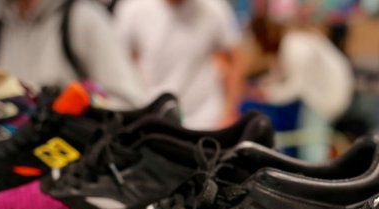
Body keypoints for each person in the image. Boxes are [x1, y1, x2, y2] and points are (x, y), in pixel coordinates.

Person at [0, 0, 147, 109]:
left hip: (73, 144)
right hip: (20, 145)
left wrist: (81, 109)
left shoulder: (82, 16)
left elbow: (131, 102)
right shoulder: (3, 23)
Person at [114, 0, 244, 129]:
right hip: (154, 117)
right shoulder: (132, 9)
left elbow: (235, 60)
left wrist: (229, 112)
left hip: (206, 118)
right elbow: (122, 66)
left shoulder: (215, 8)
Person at [249, 15, 354, 162]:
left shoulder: (293, 45)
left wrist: (266, 94)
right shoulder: (292, 42)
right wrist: (263, 87)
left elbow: (294, 87)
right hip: (326, 92)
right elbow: (280, 75)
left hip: (326, 97)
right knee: (312, 142)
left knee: (311, 147)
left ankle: (315, 174)